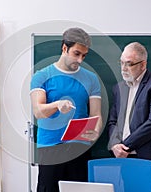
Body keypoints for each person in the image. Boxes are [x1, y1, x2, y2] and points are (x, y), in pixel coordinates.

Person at [30, 27, 102, 192]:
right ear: (64, 48)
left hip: (79, 147)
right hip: (50, 147)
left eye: (84, 55)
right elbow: (38, 111)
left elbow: (96, 114)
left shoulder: (91, 79)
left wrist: (96, 131)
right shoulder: (42, 76)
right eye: (76, 54)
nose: (80, 59)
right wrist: (57, 105)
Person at [107, 42, 151, 192]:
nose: (123, 68)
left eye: (129, 64)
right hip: (126, 159)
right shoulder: (118, 88)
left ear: (143, 64)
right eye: (121, 63)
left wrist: (125, 146)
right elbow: (113, 121)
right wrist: (115, 144)